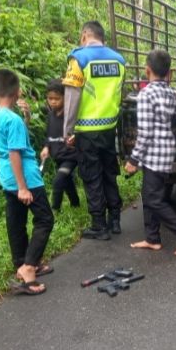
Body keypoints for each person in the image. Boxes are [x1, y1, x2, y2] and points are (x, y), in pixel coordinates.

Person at [125, 50, 176, 256]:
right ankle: (152, 238)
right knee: (149, 196)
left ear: (147, 70)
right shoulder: (170, 93)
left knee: (154, 199)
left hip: (154, 154)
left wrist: (133, 159)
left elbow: (145, 132)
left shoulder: (146, 95)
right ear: (169, 73)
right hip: (165, 151)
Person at [0, 69, 54, 295]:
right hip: (24, 176)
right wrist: (23, 187)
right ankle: (28, 268)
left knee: (15, 218)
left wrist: (26, 118)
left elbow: (13, 140)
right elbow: (15, 152)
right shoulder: (12, 119)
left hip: (6, 175)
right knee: (45, 219)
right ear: (18, 91)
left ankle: (21, 262)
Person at [63, 21, 125, 241]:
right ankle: (115, 220)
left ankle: (99, 225)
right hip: (109, 127)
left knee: (92, 176)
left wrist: (67, 130)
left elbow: (71, 98)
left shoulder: (78, 59)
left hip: (87, 130)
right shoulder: (119, 60)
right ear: (102, 38)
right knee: (109, 173)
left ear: (83, 37)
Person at [40, 79, 80, 211]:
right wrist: (46, 147)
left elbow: (78, 133)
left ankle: (55, 210)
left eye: (56, 98)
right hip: (58, 156)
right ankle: (76, 204)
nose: (53, 102)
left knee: (58, 181)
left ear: (65, 97)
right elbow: (49, 136)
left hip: (70, 156)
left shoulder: (70, 116)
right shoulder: (50, 115)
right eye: (50, 98)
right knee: (67, 181)